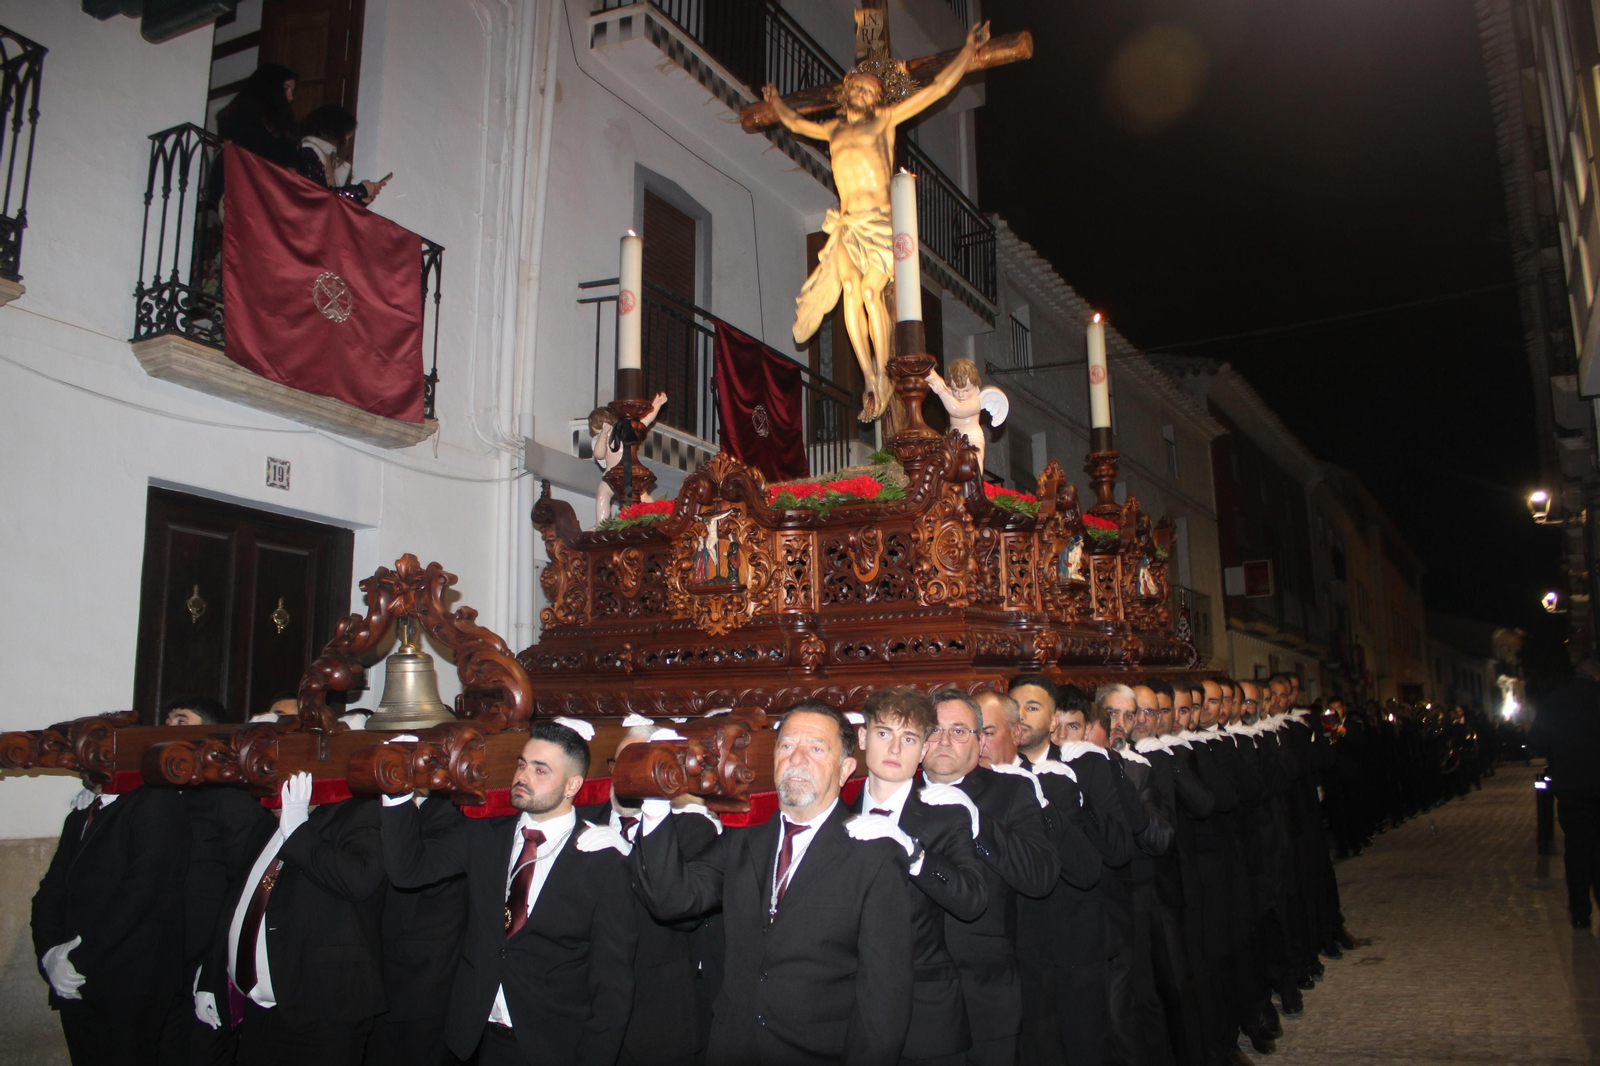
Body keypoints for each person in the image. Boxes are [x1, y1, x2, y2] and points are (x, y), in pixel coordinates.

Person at [632, 701, 914, 1066]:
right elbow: (672, 900)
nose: (796, 758)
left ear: (845, 769)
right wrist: (656, 805)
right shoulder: (741, 844)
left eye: (815, 748)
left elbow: (884, 1000)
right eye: (786, 745)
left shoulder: (873, 857)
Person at [763, 21, 991, 420]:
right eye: (858, 87)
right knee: (850, 290)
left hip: (880, 225)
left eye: (871, 90)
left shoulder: (884, 121)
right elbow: (798, 124)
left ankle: (886, 374)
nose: (864, 93)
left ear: (877, 97)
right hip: (849, 225)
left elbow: (936, 90)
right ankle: (869, 376)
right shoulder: (833, 128)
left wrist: (967, 53)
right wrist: (778, 103)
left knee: (871, 293)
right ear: (848, 91)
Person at [379, 720, 637, 1066]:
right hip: (478, 1037)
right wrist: (397, 796)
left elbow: (613, 985)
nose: (523, 776)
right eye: (521, 764)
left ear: (571, 785)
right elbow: (408, 871)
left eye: (540, 770)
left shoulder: (601, 859)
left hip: (555, 1045)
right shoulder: (485, 835)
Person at [196, 773, 387, 1066]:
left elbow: (358, 880)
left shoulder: (360, 810)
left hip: (322, 1012)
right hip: (259, 1011)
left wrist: (298, 829)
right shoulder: (268, 824)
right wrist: (211, 978)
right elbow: (238, 903)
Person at [852, 687, 989, 1066]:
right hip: (847, 1009)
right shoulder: (837, 816)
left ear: (923, 750)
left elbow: (972, 899)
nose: (895, 750)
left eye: (909, 738)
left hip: (925, 1012)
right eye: (884, 734)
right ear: (863, 738)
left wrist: (915, 854)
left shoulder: (944, 817)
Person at [577, 725, 721, 1066]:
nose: (632, 774)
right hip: (578, 1009)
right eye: (624, 762)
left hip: (653, 1018)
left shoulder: (691, 829)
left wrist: (628, 854)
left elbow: (681, 915)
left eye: (644, 763)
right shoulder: (581, 821)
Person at [927, 689, 1057, 1066]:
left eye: (960, 731)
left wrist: (977, 823)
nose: (946, 741)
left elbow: (1040, 876)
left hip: (985, 990)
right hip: (915, 1000)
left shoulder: (1010, 791)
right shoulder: (902, 795)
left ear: (980, 739)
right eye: (935, 730)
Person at [32, 776, 190, 1066]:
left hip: (128, 983)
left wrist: (77, 959)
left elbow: (142, 893)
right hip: (72, 979)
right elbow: (51, 891)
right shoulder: (80, 815)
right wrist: (50, 954)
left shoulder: (156, 801)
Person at [364, 792, 469, 1066]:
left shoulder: (454, 812)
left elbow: (413, 871)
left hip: (426, 980)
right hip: (380, 970)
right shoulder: (372, 805)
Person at [1531, 660, 1600, 928]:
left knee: (1577, 848)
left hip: (1570, 786)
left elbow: (1537, 739)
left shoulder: (1556, 699)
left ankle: (1580, 910)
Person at [297, 103, 388, 205]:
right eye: (346, 138)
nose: (347, 143)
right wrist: (360, 190)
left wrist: (359, 199)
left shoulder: (329, 158)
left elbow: (332, 201)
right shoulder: (308, 152)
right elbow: (318, 196)